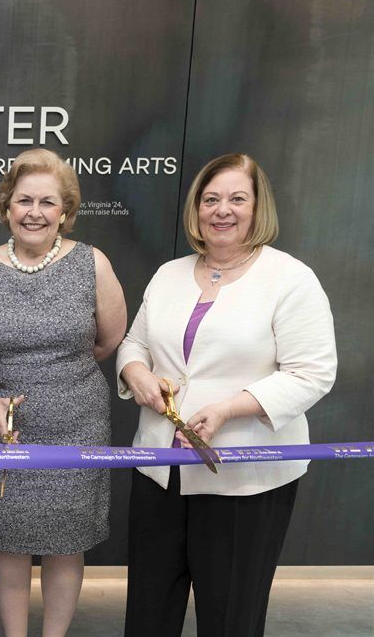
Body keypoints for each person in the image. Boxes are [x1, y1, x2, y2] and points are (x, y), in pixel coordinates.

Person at [117, 153, 337, 636]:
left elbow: (312, 373)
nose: (222, 210)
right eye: (211, 199)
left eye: (238, 199)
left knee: (230, 618)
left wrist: (229, 407)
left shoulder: (290, 279)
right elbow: (134, 343)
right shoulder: (168, 274)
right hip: (160, 472)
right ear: (196, 209)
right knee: (148, 615)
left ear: (259, 209)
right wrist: (136, 373)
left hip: (245, 479)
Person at [0, 149, 126, 637]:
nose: (34, 212)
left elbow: (108, 340)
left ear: (65, 211)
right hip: (2, 428)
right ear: (6, 207)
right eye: (24, 200)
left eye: (47, 202)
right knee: (8, 541)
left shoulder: (91, 263)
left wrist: (59, 378)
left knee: (65, 542)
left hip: (78, 424)